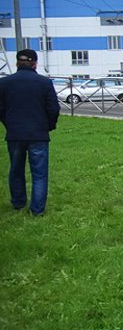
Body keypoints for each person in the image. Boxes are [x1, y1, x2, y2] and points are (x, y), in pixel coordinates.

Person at [0, 49, 60, 216]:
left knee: (16, 169)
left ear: (17, 63)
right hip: (38, 134)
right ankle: (37, 210)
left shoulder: (4, 83)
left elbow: (1, 109)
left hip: (15, 134)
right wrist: (49, 125)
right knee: (39, 174)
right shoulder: (44, 83)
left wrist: (10, 124)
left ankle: (18, 203)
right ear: (35, 63)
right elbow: (53, 109)